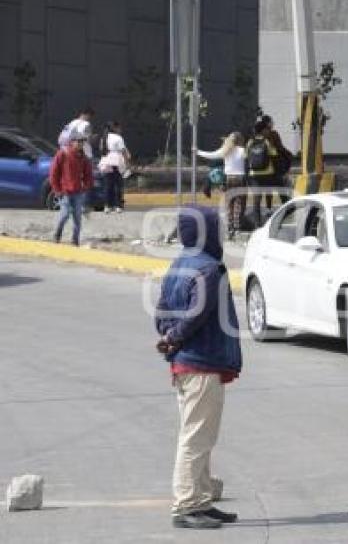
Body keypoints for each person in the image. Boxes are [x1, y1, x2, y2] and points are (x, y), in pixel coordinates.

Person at [154, 205, 242, 529]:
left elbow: (161, 313)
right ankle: (187, 505)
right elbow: (197, 313)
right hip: (201, 363)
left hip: (186, 364)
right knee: (195, 437)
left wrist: (167, 336)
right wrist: (175, 337)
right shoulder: (208, 269)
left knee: (200, 435)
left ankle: (202, 500)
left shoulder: (179, 264)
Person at [197, 132, 247, 239]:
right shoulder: (243, 150)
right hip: (240, 178)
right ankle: (237, 228)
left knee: (229, 203)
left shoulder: (225, 151)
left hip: (229, 178)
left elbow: (211, 155)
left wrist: (197, 152)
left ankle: (229, 228)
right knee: (239, 203)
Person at [49, 129, 94, 246]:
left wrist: (86, 186)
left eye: (82, 142)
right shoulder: (63, 154)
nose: (80, 144)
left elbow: (88, 173)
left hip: (78, 192)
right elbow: (54, 173)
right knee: (64, 215)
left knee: (77, 218)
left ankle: (75, 240)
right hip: (65, 191)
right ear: (72, 142)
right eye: (78, 141)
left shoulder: (83, 157)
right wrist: (57, 189)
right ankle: (57, 235)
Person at [245, 119, 278, 226]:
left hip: (254, 175)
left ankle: (257, 223)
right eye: (266, 129)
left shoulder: (250, 142)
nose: (268, 131)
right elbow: (274, 154)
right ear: (263, 130)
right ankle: (269, 217)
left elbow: (245, 157)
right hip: (267, 174)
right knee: (269, 195)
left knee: (256, 200)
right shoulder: (266, 141)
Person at [260, 114, 294, 204]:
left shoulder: (257, 136)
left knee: (268, 190)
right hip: (275, 166)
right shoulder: (273, 134)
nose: (273, 124)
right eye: (271, 122)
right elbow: (280, 148)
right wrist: (289, 155)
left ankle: (269, 208)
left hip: (262, 168)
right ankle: (286, 207)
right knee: (281, 188)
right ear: (268, 123)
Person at [98, 121, 131, 213]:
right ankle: (118, 206)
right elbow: (123, 151)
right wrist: (127, 164)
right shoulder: (118, 138)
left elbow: (101, 150)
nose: (120, 129)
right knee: (118, 185)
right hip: (116, 161)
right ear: (115, 128)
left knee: (108, 185)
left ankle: (107, 206)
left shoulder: (104, 138)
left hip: (106, 161)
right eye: (119, 128)